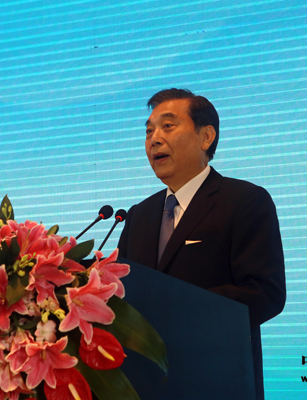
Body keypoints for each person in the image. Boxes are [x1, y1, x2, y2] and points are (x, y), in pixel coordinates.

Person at [117, 88, 286, 400]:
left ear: (206, 137)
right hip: (144, 386)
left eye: (168, 126)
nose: (154, 139)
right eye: (149, 131)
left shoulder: (244, 201)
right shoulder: (139, 215)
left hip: (218, 383)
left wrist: (177, 313)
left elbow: (266, 293)